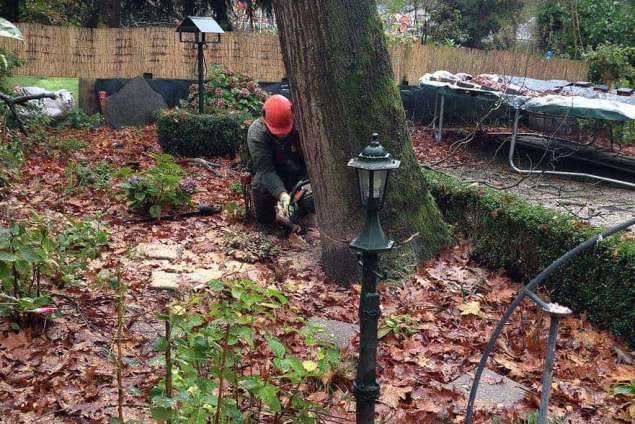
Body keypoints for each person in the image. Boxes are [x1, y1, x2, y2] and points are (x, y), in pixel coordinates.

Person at [247, 94, 311, 233]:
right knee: (260, 184)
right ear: (264, 119)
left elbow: (313, 160)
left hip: (299, 171)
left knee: (308, 200)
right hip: (273, 172)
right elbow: (266, 171)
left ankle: (304, 215)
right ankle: (266, 223)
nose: (281, 135)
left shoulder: (305, 126)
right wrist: (282, 195)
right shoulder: (257, 133)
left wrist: (304, 183)